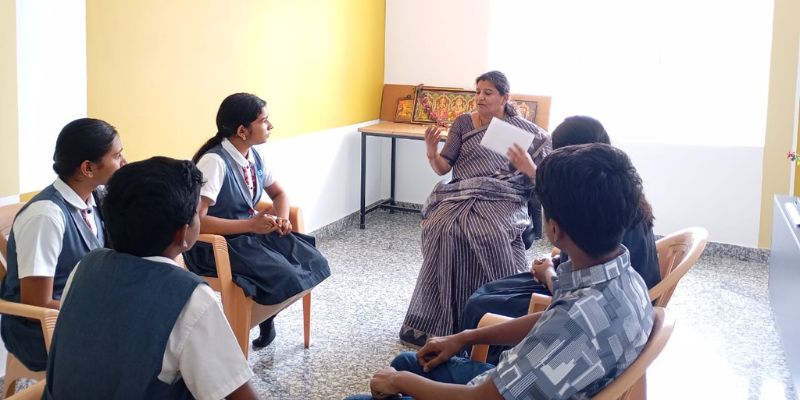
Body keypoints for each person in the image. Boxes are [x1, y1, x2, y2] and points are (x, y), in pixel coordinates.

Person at [347, 143, 655, 400]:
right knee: (407, 360)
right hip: (525, 383)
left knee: (382, 383)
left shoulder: (572, 325)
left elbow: (480, 398)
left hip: (489, 395)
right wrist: (465, 337)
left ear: (555, 229)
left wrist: (398, 382)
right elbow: (554, 316)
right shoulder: (625, 278)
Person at [44, 157, 258, 399]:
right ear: (182, 233)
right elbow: (238, 394)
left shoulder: (86, 266)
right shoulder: (188, 296)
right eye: (197, 213)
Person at [459, 116, 661, 364]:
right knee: (487, 294)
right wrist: (554, 262)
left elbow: (580, 293)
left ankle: (481, 362)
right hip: (601, 291)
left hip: (582, 295)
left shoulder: (597, 210)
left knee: (481, 305)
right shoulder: (616, 193)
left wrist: (548, 273)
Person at [400, 71, 551, 346]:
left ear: (504, 97)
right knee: (440, 227)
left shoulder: (526, 132)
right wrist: (432, 152)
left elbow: (543, 177)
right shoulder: (463, 124)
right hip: (460, 193)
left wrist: (529, 166)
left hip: (504, 197)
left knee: (488, 232)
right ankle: (445, 317)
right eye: (477, 92)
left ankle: (503, 313)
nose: (480, 97)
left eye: (488, 92)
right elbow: (443, 169)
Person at [183, 93, 331, 349]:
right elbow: (197, 221)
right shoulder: (215, 162)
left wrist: (282, 219)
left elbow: (279, 194)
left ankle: (265, 317)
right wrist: (250, 225)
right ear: (242, 130)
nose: (270, 126)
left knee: (312, 261)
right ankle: (250, 324)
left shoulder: (254, 156)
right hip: (217, 246)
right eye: (264, 121)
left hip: (249, 236)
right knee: (285, 274)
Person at [0, 118, 126, 371]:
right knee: (141, 344)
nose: (124, 162)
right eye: (117, 156)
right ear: (88, 168)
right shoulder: (46, 217)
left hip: (78, 313)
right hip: (39, 330)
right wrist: (105, 310)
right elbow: (36, 302)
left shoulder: (93, 199)